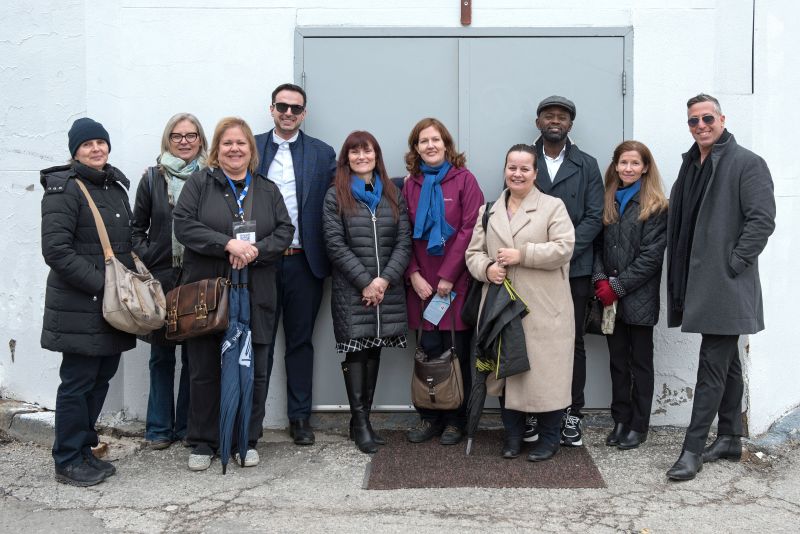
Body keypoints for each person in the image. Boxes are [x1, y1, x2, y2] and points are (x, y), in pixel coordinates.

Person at [173, 117, 294, 471]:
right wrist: (227, 244)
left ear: (250, 150)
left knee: (255, 369)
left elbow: (285, 230)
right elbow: (184, 225)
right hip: (208, 294)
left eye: (241, 143)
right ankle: (203, 442)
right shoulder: (199, 184)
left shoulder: (267, 189)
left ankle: (247, 439)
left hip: (257, 292)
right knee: (203, 369)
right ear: (217, 149)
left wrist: (256, 251)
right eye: (227, 143)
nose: (235, 149)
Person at [665, 94, 776, 481]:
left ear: (722, 119)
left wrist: (735, 263)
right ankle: (729, 436)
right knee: (726, 361)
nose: (701, 126)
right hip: (698, 281)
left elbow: (762, 220)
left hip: (727, 284)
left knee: (711, 365)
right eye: (693, 121)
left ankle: (692, 450)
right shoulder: (691, 164)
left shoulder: (746, 162)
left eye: (707, 118)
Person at [466, 144, 575, 461]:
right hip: (501, 308)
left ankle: (549, 439)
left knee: (547, 375)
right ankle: (513, 437)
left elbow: (564, 248)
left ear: (535, 173)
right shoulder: (488, 211)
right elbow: (473, 254)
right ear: (505, 170)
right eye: (512, 167)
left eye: (525, 168)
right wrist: (487, 269)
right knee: (506, 374)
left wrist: (522, 255)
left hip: (544, 308)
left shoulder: (552, 207)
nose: (517, 173)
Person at [41, 118, 135, 486]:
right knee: (77, 382)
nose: (96, 149)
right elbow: (56, 251)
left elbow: (125, 244)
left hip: (111, 306)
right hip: (80, 305)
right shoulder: (64, 188)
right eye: (87, 144)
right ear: (75, 151)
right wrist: (104, 285)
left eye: (101, 142)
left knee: (100, 380)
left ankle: (83, 450)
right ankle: (66, 459)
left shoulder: (114, 187)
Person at [254, 83, 336, 446]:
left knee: (300, 343)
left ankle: (300, 418)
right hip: (260, 262)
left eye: (296, 108)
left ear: (304, 114)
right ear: (272, 109)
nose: (288, 113)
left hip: (305, 263)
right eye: (282, 106)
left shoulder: (321, 152)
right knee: (259, 342)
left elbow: (339, 195)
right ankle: (252, 419)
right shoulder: (251, 146)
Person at [322, 131, 412, 453]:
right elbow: (334, 244)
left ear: (376, 155)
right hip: (353, 290)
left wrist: (384, 280)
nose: (362, 157)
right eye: (355, 152)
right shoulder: (336, 194)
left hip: (386, 289)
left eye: (368, 151)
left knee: (375, 350)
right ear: (346, 158)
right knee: (357, 352)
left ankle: (363, 421)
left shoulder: (392, 193)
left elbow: (404, 241)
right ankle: (360, 423)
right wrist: (366, 283)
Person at [526, 95, 604, 448]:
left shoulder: (587, 164)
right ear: (538, 122)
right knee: (532, 338)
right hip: (532, 268)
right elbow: (514, 209)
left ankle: (572, 413)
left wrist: (563, 251)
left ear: (570, 125)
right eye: (548, 116)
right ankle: (534, 410)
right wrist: (539, 255)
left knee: (572, 342)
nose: (555, 121)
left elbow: (594, 216)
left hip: (575, 268)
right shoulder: (524, 159)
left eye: (562, 116)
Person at [402, 117, 484, 445]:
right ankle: (429, 416)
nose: (430, 145)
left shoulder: (465, 180)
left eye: (436, 139)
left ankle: (455, 420)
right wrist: (413, 274)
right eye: (424, 141)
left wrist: (448, 276)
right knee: (427, 351)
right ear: (416, 148)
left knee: (455, 353)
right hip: (421, 285)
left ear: (446, 144)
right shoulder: (410, 184)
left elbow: (471, 230)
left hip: (455, 283)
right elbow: (402, 233)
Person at [132, 113, 208, 450]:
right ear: (168, 140)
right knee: (161, 357)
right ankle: (159, 429)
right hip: (161, 278)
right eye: (177, 136)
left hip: (197, 276)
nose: (184, 141)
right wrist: (149, 256)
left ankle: (188, 427)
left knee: (195, 357)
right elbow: (136, 228)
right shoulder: (152, 178)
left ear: (200, 140)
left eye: (191, 135)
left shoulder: (210, 177)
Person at [591, 140, 668, 450]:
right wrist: (600, 280)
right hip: (610, 299)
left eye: (635, 163)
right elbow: (597, 246)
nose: (628, 168)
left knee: (640, 363)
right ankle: (621, 419)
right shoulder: (607, 200)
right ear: (615, 166)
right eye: (623, 162)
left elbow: (651, 257)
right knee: (618, 362)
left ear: (645, 167)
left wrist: (618, 286)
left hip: (639, 298)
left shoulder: (656, 205)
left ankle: (639, 424)